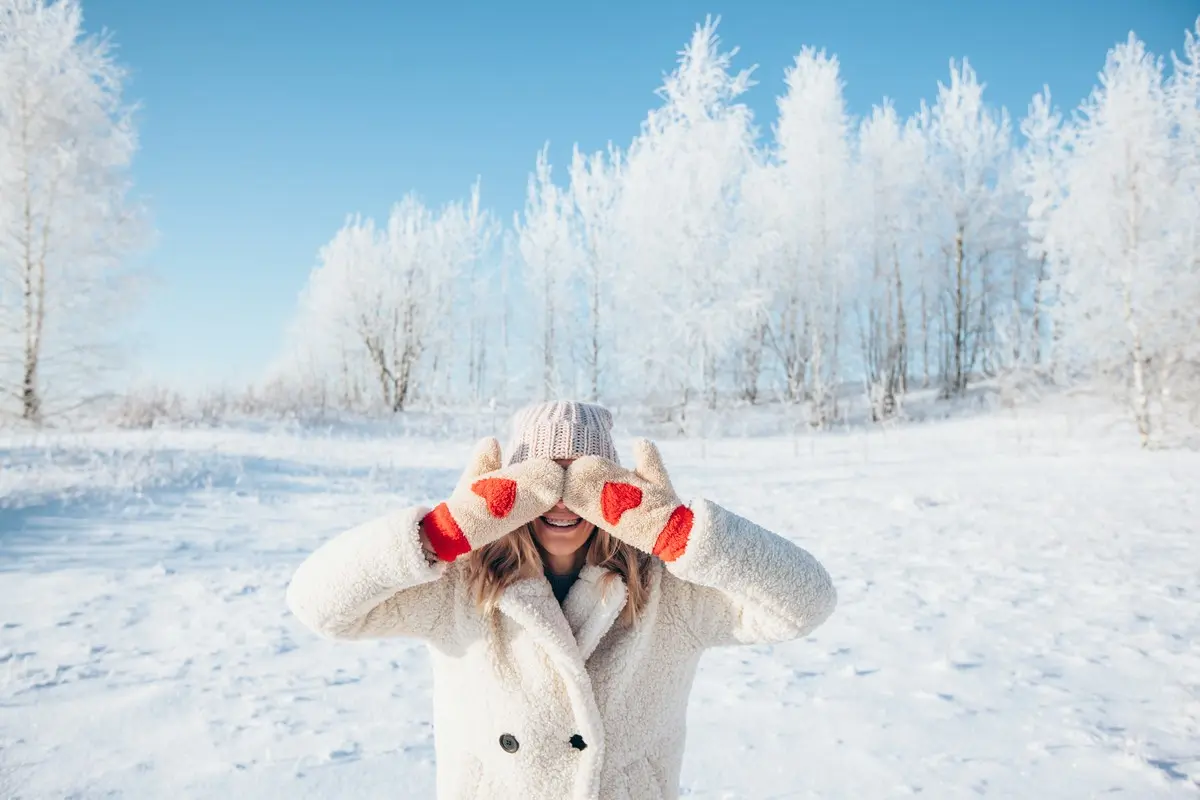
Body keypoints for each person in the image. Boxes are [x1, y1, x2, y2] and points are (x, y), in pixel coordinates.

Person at [286, 401, 837, 799]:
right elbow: (318, 604)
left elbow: (806, 602)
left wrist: (680, 533)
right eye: (545, 477)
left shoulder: (667, 589)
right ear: (510, 488)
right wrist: (443, 532)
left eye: (584, 479)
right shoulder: (458, 585)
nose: (564, 498)